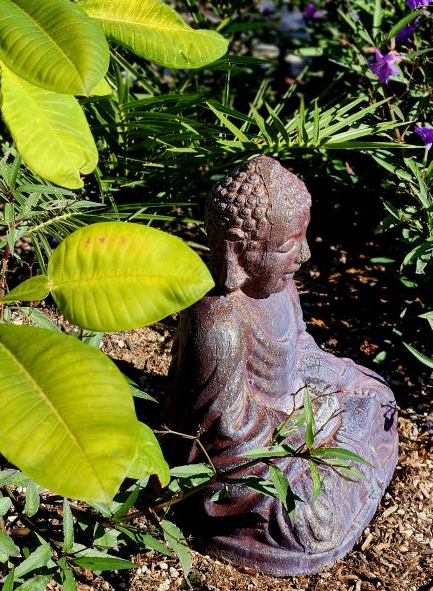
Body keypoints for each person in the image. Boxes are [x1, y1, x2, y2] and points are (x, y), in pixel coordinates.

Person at [164, 155, 398, 576]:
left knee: (377, 394)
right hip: (250, 455)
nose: (304, 254)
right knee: (312, 520)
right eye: (289, 244)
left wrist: (333, 384)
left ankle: (345, 457)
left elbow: (300, 350)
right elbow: (218, 436)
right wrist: (298, 424)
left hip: (294, 409)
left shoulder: (278, 287)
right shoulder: (217, 322)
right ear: (239, 250)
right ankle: (344, 475)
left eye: (303, 238)